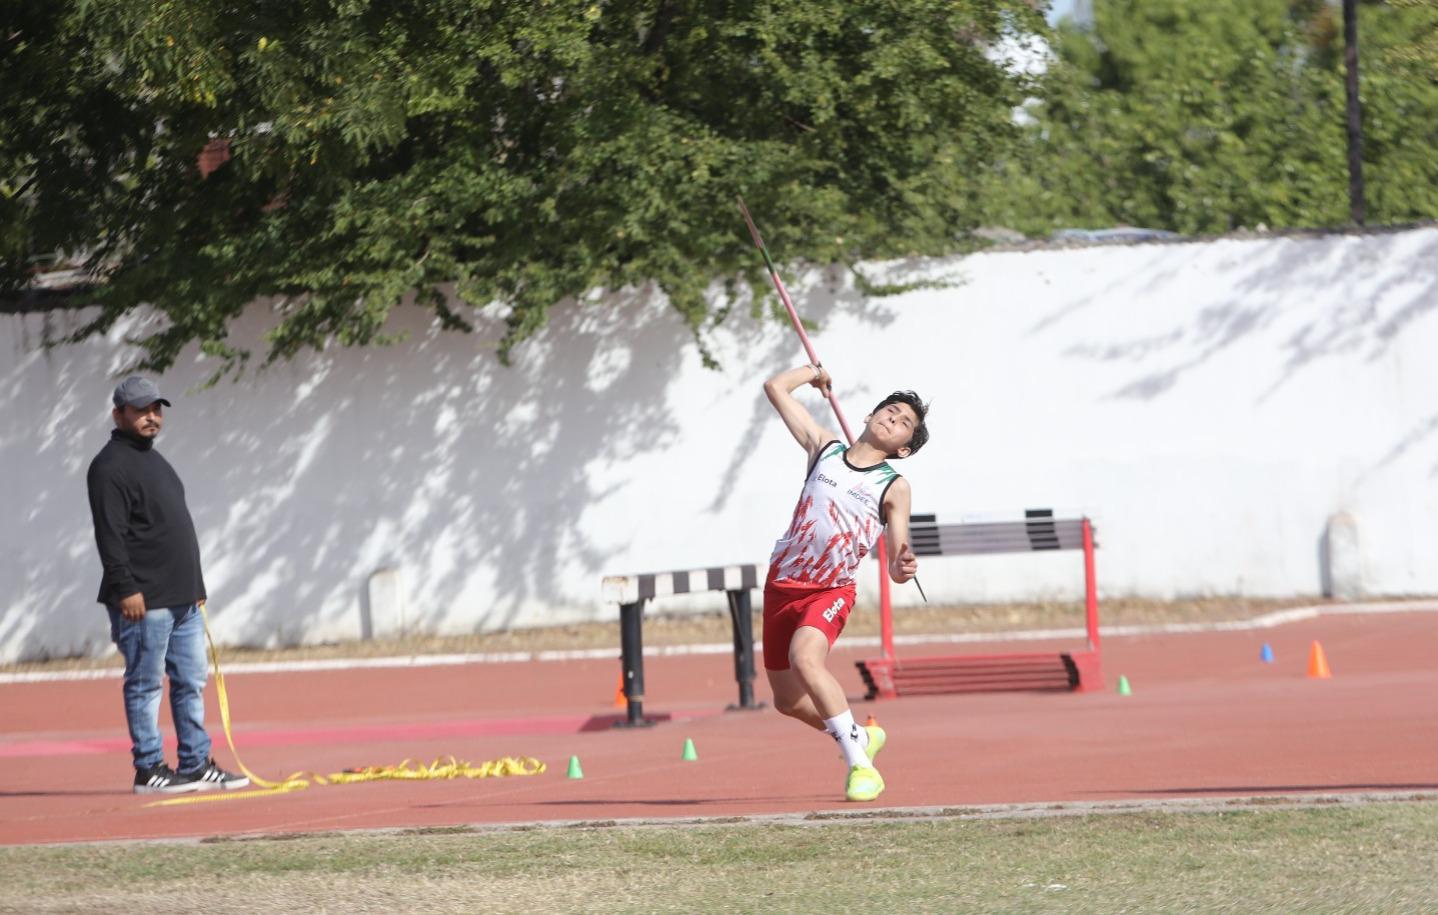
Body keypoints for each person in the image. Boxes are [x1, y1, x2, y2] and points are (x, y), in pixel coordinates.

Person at [761, 363, 927, 802]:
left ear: (904, 448)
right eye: (889, 410)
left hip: (831, 589)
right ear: (871, 416)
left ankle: (861, 768)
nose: (893, 417)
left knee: (806, 660)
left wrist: (903, 567)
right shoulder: (824, 448)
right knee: (787, 701)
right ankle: (859, 735)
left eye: (904, 421)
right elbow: (775, 388)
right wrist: (812, 373)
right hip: (782, 584)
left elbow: (895, 562)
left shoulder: (893, 485)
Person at [86, 375, 249, 795]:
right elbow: (111, 535)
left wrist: (194, 585)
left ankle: (194, 762)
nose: (151, 416)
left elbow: (172, 528)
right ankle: (149, 768)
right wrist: (126, 588)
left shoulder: (155, 461)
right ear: (118, 414)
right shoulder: (109, 467)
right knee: (145, 683)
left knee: (191, 681)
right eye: (141, 409)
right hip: (144, 599)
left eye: (156, 409)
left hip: (182, 598)